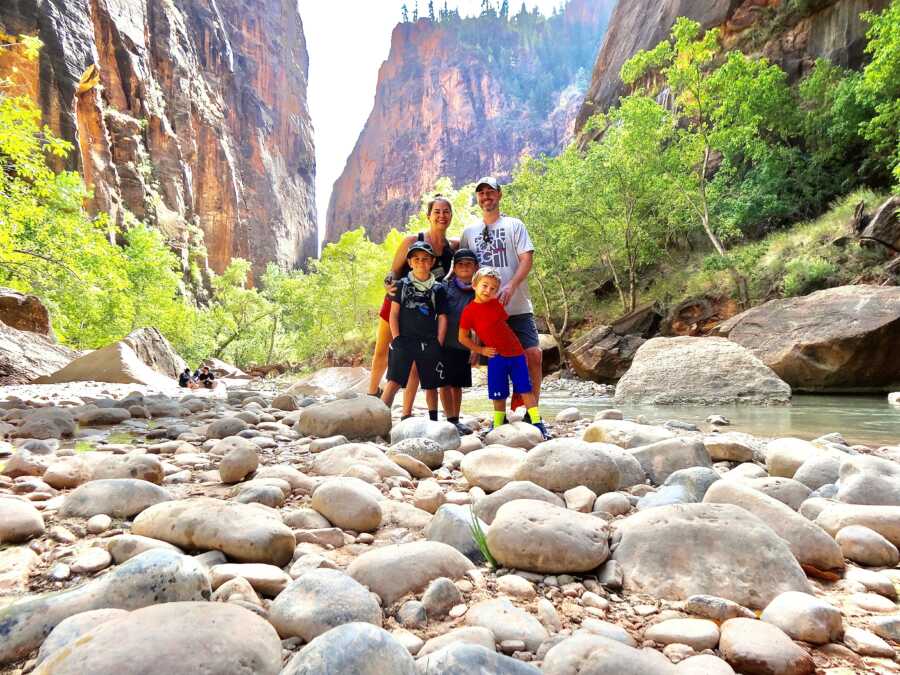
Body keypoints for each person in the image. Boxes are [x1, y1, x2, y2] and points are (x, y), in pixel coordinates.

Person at [367, 195, 458, 416]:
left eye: (446, 211)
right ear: (428, 216)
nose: (441, 216)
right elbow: (393, 271)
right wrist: (388, 284)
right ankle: (370, 398)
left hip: (423, 313)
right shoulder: (412, 241)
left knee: (417, 363)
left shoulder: (452, 247)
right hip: (397, 302)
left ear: (451, 216)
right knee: (382, 352)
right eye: (436, 211)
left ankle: (406, 413)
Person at [459, 177, 543, 404]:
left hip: (517, 305)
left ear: (499, 195)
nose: (486, 196)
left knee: (533, 355)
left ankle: (531, 413)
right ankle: (500, 418)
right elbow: (466, 271)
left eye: (490, 192)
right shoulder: (469, 232)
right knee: (497, 363)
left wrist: (511, 285)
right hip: (486, 313)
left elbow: (527, 259)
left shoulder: (514, 225)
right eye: (481, 193)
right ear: (477, 198)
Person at [458, 267, 550, 440]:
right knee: (498, 392)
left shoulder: (495, 305)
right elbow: (462, 337)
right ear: (474, 285)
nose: (488, 290)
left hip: (516, 354)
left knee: (525, 388)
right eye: (484, 285)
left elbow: (502, 328)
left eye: (493, 288)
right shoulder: (468, 311)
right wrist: (480, 350)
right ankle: (498, 423)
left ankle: (537, 423)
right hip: (496, 357)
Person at [381, 241, 448, 422]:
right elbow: (393, 314)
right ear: (410, 262)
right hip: (404, 340)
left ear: (432, 262)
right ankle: (378, 418)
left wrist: (438, 343)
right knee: (394, 380)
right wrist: (396, 339)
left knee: (431, 383)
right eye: (416, 259)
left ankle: (433, 419)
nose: (421, 262)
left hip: (428, 341)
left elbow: (442, 317)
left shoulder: (438, 288)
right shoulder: (401, 286)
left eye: (425, 259)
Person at [440, 248, 479, 435]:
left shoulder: (478, 290)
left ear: (476, 268)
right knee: (445, 383)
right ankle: (449, 420)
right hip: (444, 341)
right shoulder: (445, 287)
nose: (464, 268)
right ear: (454, 268)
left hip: (464, 344)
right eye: (460, 264)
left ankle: (456, 419)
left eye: (468, 264)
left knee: (458, 384)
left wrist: (476, 348)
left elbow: (479, 322)